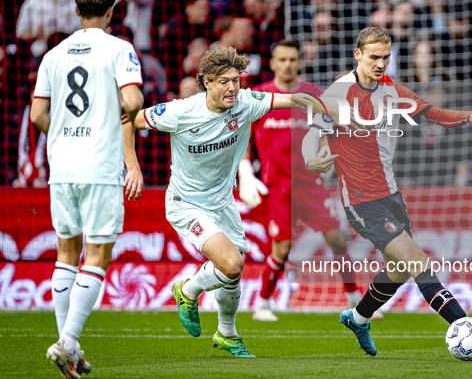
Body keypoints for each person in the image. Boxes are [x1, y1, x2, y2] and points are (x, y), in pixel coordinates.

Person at [302, 27, 472, 357]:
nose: (380, 64)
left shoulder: (392, 90)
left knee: (399, 269)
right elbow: (312, 133)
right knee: (419, 262)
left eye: (386, 58)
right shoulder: (336, 94)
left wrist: (469, 115)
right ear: (357, 55)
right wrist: (311, 159)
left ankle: (358, 318)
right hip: (361, 201)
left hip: (391, 195)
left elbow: (432, 113)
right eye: (374, 57)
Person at [122, 46, 325, 358]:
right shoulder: (180, 112)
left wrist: (323, 105)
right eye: (223, 82)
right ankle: (187, 290)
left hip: (223, 202)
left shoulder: (246, 102)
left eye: (236, 80)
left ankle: (227, 334)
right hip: (185, 202)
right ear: (206, 82)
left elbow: (295, 98)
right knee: (231, 263)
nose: (232, 88)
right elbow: (129, 119)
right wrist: (133, 168)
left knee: (233, 273)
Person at [30, 0, 144, 378]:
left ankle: (70, 347)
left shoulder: (52, 54)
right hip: (98, 164)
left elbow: (37, 115)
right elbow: (132, 102)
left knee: (67, 251)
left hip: (60, 164)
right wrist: (109, 124)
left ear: (76, 9)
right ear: (111, 9)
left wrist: (64, 134)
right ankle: (66, 342)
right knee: (96, 255)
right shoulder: (118, 49)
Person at [239, 40, 377, 322]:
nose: (287, 64)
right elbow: (244, 137)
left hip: (309, 185)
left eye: (292, 59)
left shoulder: (313, 94)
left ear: (299, 62)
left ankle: (356, 303)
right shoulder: (258, 96)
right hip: (276, 186)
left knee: (337, 240)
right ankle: (262, 304)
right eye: (282, 59)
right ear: (273, 63)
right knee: (282, 248)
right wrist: (245, 170)